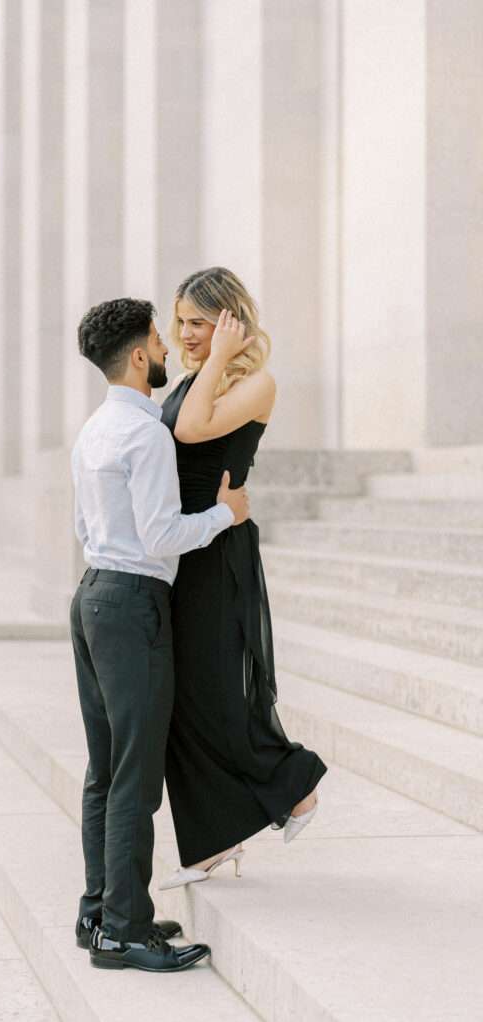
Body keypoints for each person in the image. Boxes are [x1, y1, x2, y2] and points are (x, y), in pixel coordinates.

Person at [69, 297, 250, 972]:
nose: (169, 346)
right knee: (136, 777)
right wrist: (224, 515)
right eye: (158, 336)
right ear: (140, 355)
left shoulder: (94, 430)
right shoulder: (144, 434)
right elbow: (161, 534)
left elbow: (83, 530)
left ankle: (101, 911)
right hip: (132, 601)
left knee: (105, 770)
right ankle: (124, 930)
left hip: (91, 596)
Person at [158, 266, 328, 892]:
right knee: (184, 698)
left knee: (218, 691)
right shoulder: (189, 379)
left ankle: (296, 781)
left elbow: (190, 430)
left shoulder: (257, 383)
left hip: (218, 551)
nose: (187, 334)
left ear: (231, 321)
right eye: (180, 322)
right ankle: (212, 838)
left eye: (199, 322)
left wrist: (219, 359)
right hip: (186, 548)